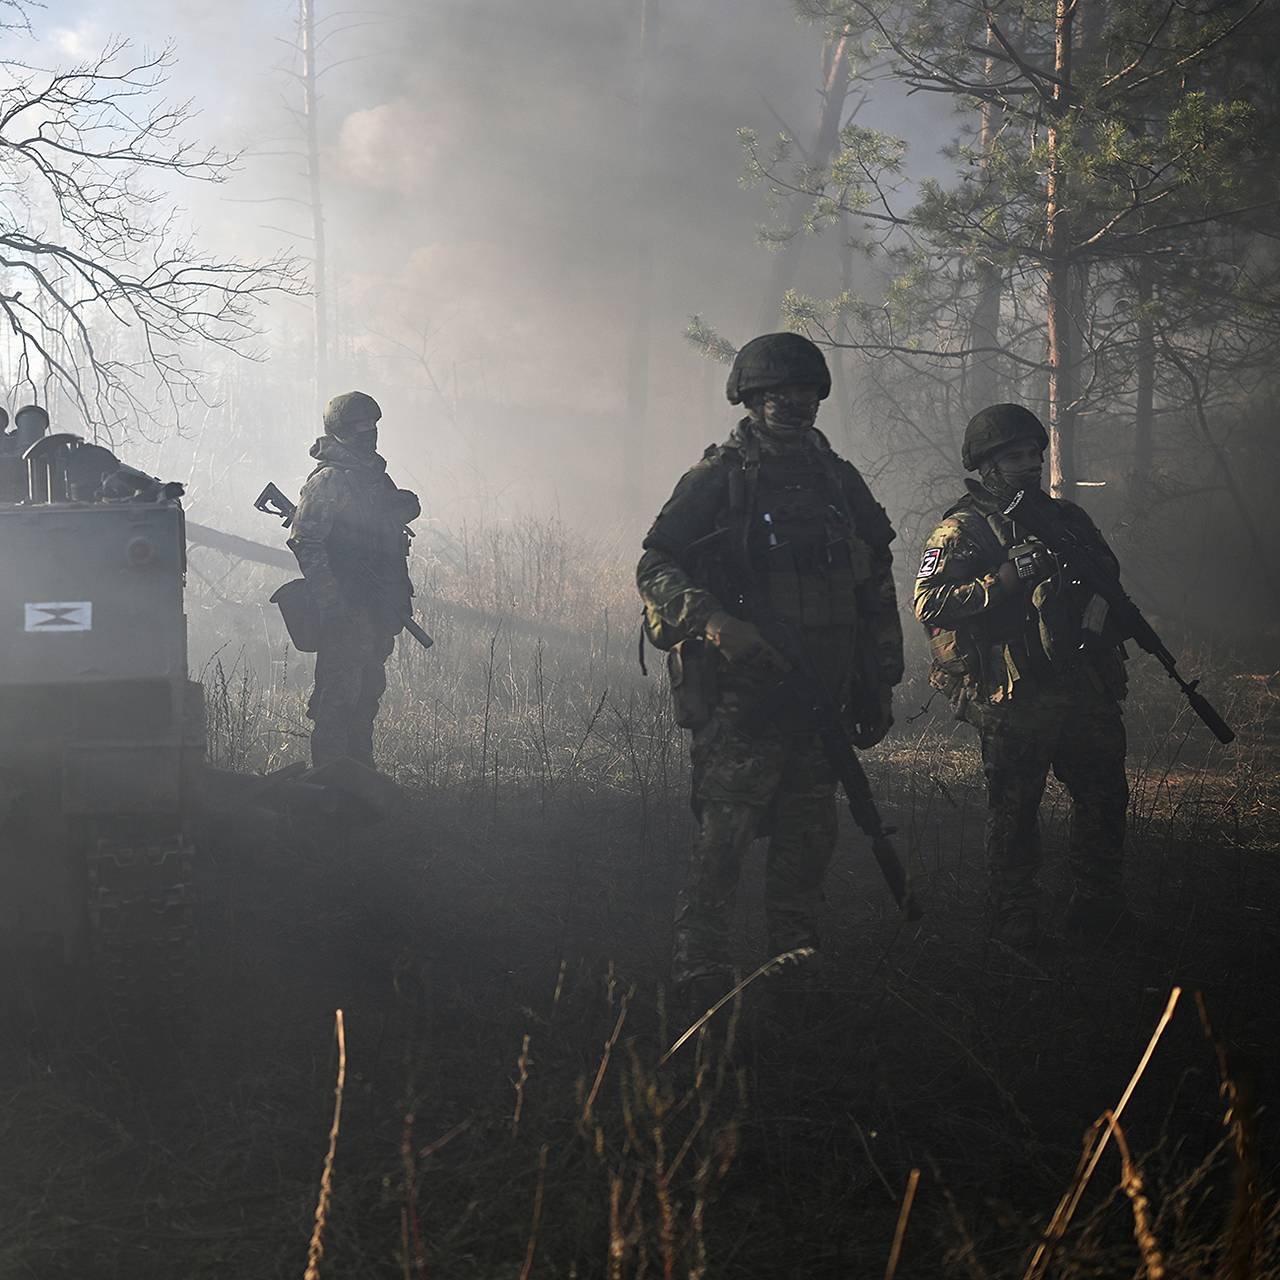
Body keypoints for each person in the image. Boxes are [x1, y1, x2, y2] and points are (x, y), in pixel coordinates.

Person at [636, 332, 904, 1006]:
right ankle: (701, 965)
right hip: (743, 693)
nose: (793, 403)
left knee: (808, 836)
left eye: (806, 391)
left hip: (823, 692)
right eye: (776, 392)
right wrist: (717, 622)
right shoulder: (718, 478)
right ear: (751, 399)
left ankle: (793, 962)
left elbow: (874, 578)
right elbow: (655, 565)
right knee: (725, 832)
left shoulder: (839, 480)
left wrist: (878, 680)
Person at [913, 403, 1131, 949]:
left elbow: (1109, 581)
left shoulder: (1067, 519)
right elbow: (928, 602)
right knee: (1015, 808)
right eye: (1014, 455)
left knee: (1104, 796)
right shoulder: (962, 526)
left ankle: (1097, 906)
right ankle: (1016, 913)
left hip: (1083, 684)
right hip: (1016, 692)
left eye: (1034, 453)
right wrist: (1002, 581)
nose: (1029, 463)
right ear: (986, 464)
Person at [288, 391, 420, 769]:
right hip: (346, 607)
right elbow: (305, 542)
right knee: (337, 701)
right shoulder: (330, 479)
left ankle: (361, 779)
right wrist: (332, 603)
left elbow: (390, 520)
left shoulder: (373, 478)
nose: (369, 434)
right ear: (341, 430)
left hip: (377, 606)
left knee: (367, 697)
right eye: (361, 427)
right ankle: (330, 788)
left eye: (373, 426)